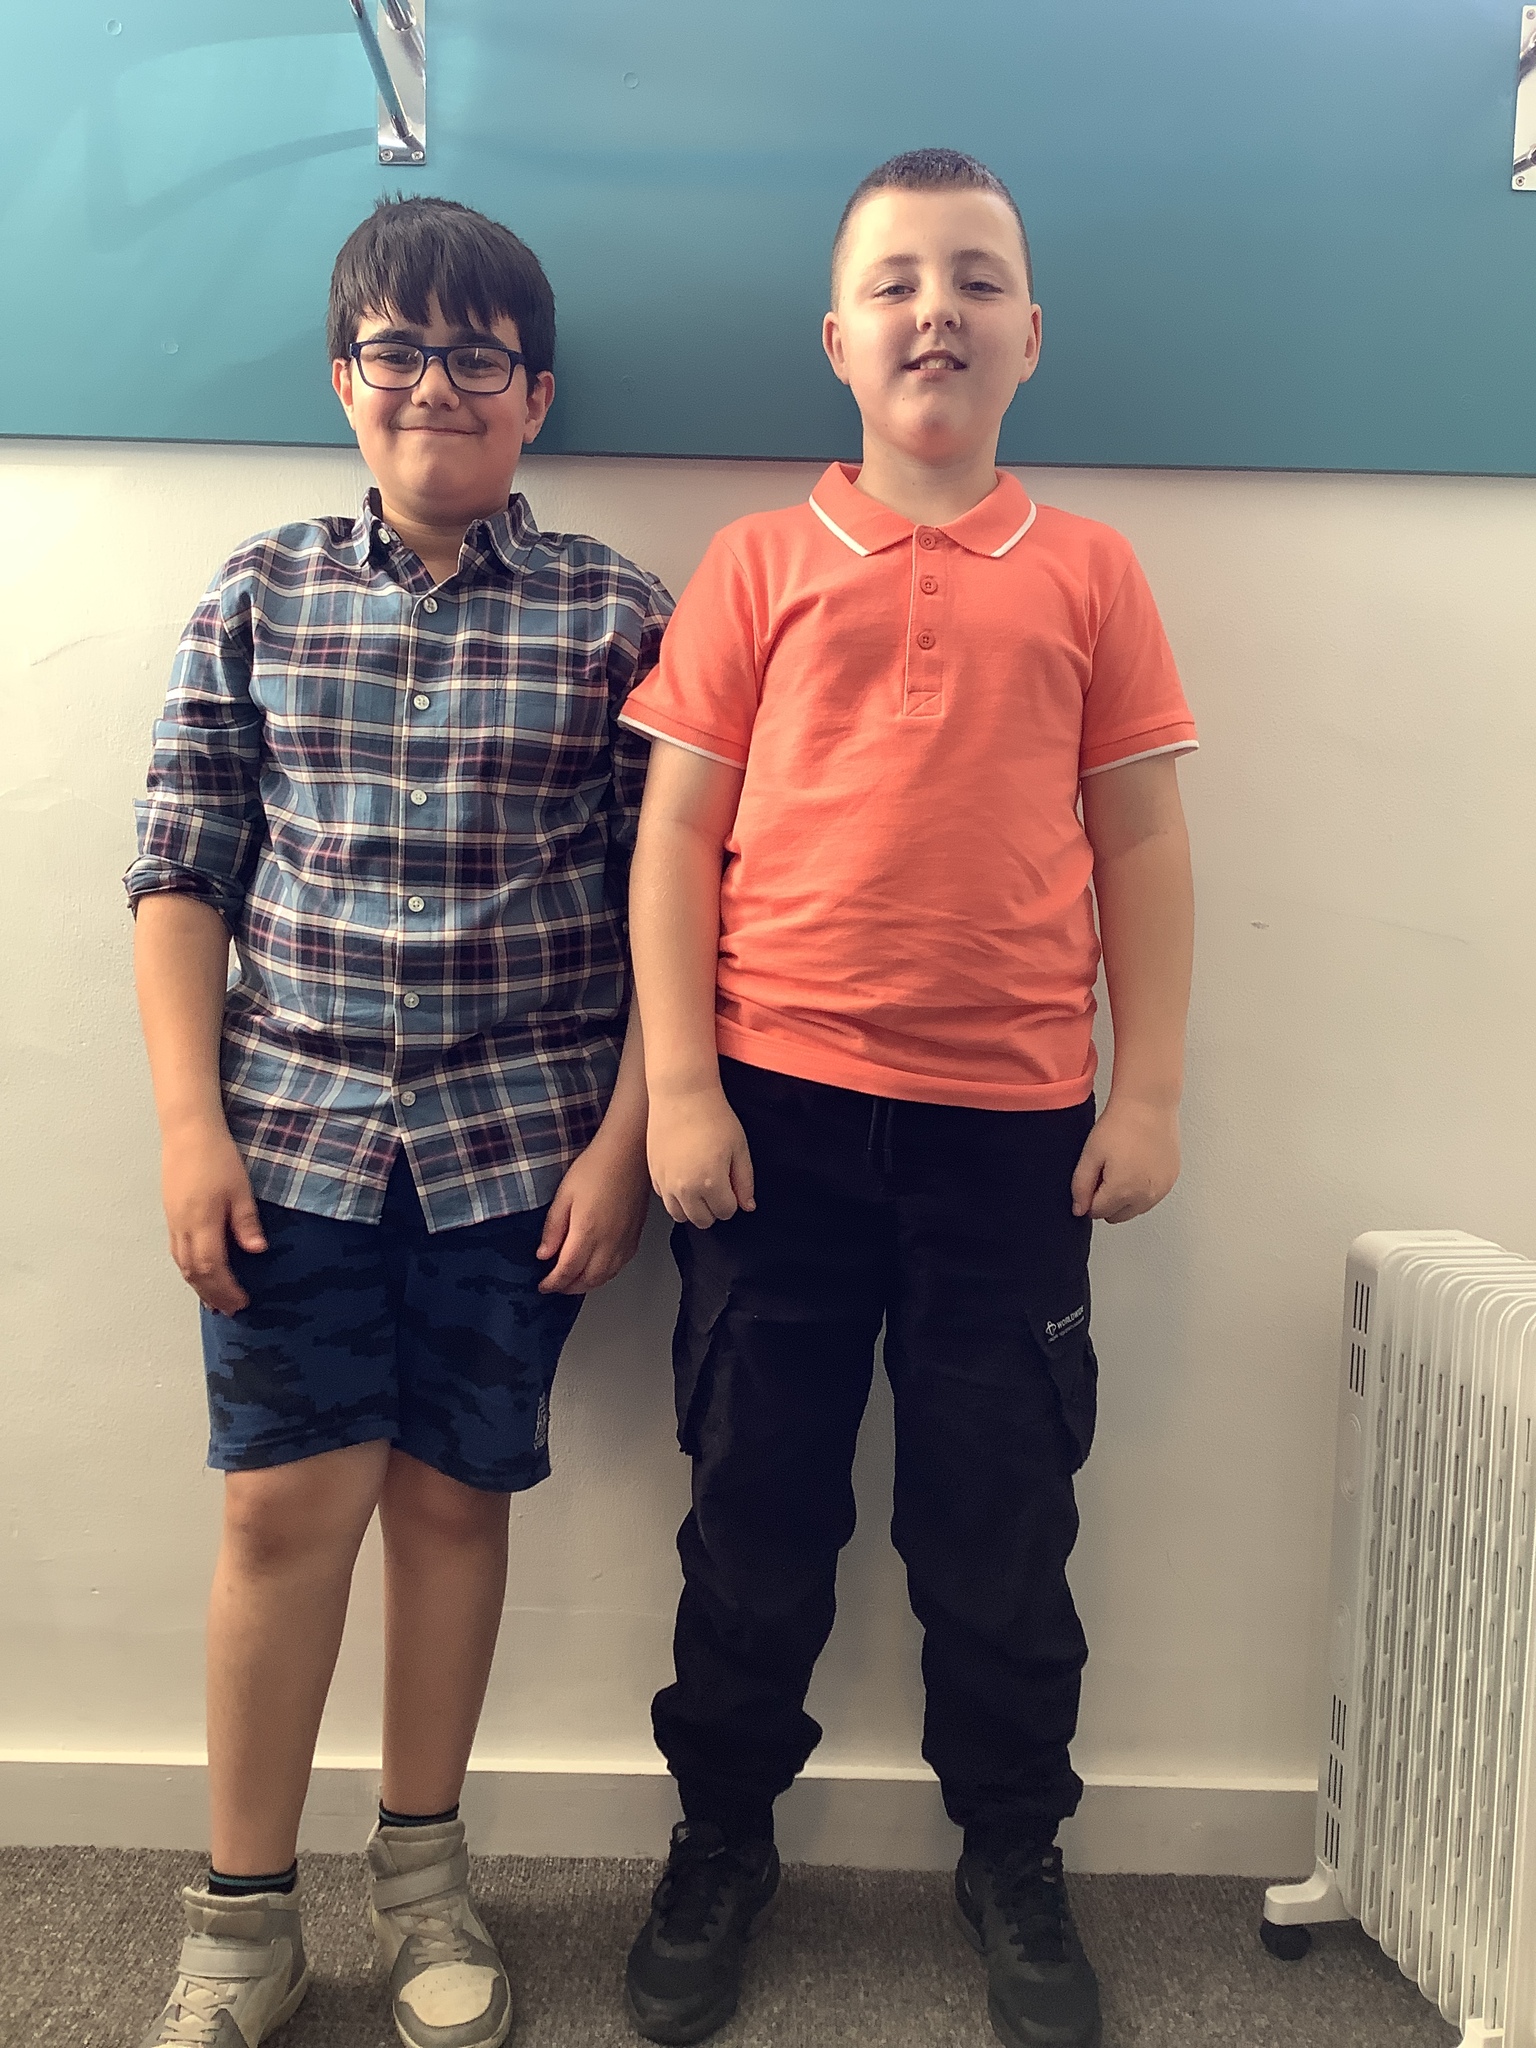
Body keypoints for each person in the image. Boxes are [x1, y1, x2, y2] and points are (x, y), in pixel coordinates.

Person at [618, 148, 1197, 2048]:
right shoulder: (759, 563)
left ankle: (1013, 1848)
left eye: (975, 278)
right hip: (771, 1124)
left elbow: (1145, 846)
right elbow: (677, 835)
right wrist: (680, 1088)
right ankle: (721, 1837)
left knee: (1000, 1524)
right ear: (836, 340)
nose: (934, 308)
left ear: (1032, 334)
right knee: (753, 1510)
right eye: (894, 281)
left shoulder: (1091, 573)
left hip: (1013, 1139)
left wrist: (1149, 1091)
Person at [127, 195, 669, 2048]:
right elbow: (181, 874)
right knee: (283, 1517)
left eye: (479, 357)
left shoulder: (616, 614)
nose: (438, 385)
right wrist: (189, 1129)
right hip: (287, 1142)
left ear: (537, 392)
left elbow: (673, 905)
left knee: (451, 1508)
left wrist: (626, 1143)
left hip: (523, 1154)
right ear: (344, 379)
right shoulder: (258, 593)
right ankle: (243, 1920)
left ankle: (427, 1879)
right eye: (399, 352)